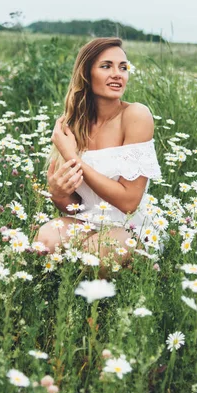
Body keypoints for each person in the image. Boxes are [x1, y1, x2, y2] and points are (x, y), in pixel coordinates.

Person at [35, 37, 162, 261]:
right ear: (86, 74)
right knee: (45, 239)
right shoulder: (72, 124)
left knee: (96, 251)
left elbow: (129, 202)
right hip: (87, 222)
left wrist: (73, 157)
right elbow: (75, 207)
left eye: (123, 67)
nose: (118, 74)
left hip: (129, 227)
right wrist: (58, 193)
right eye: (106, 66)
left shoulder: (135, 115)